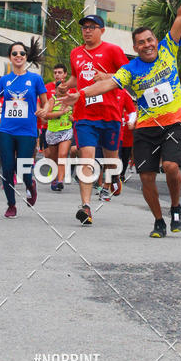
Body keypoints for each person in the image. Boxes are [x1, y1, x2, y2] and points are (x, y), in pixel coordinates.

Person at [63, 0, 181, 237]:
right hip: (145, 129)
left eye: (150, 40)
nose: (147, 45)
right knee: (146, 177)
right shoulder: (130, 70)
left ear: (156, 40)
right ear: (135, 47)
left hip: (174, 124)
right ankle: (158, 220)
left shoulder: (168, 49)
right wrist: (78, 95)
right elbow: (107, 86)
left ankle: (176, 206)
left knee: (171, 166)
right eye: (141, 43)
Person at [60, 15, 128, 226]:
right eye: (84, 28)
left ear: (102, 30)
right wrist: (66, 85)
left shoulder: (113, 50)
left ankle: (114, 177)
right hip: (84, 116)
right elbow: (76, 77)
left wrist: (106, 76)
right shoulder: (75, 53)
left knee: (110, 162)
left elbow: (127, 76)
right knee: (86, 159)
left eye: (92, 27)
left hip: (110, 115)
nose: (87, 31)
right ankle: (86, 206)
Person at [0, 39, 47, 218]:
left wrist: (43, 110)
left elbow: (46, 103)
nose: (18, 56)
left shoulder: (35, 78)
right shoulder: (5, 80)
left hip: (27, 131)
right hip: (7, 130)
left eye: (22, 53)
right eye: (15, 53)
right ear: (10, 57)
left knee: (23, 168)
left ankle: (30, 184)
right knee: (8, 168)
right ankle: (11, 205)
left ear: (26, 57)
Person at [38, 75, 76, 192]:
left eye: (65, 90)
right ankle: (55, 178)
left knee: (63, 155)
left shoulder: (72, 100)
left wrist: (72, 117)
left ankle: (60, 181)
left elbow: (76, 116)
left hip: (66, 131)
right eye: (60, 90)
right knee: (54, 159)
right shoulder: (52, 100)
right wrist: (60, 112)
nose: (63, 91)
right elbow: (46, 115)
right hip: (52, 132)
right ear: (56, 90)